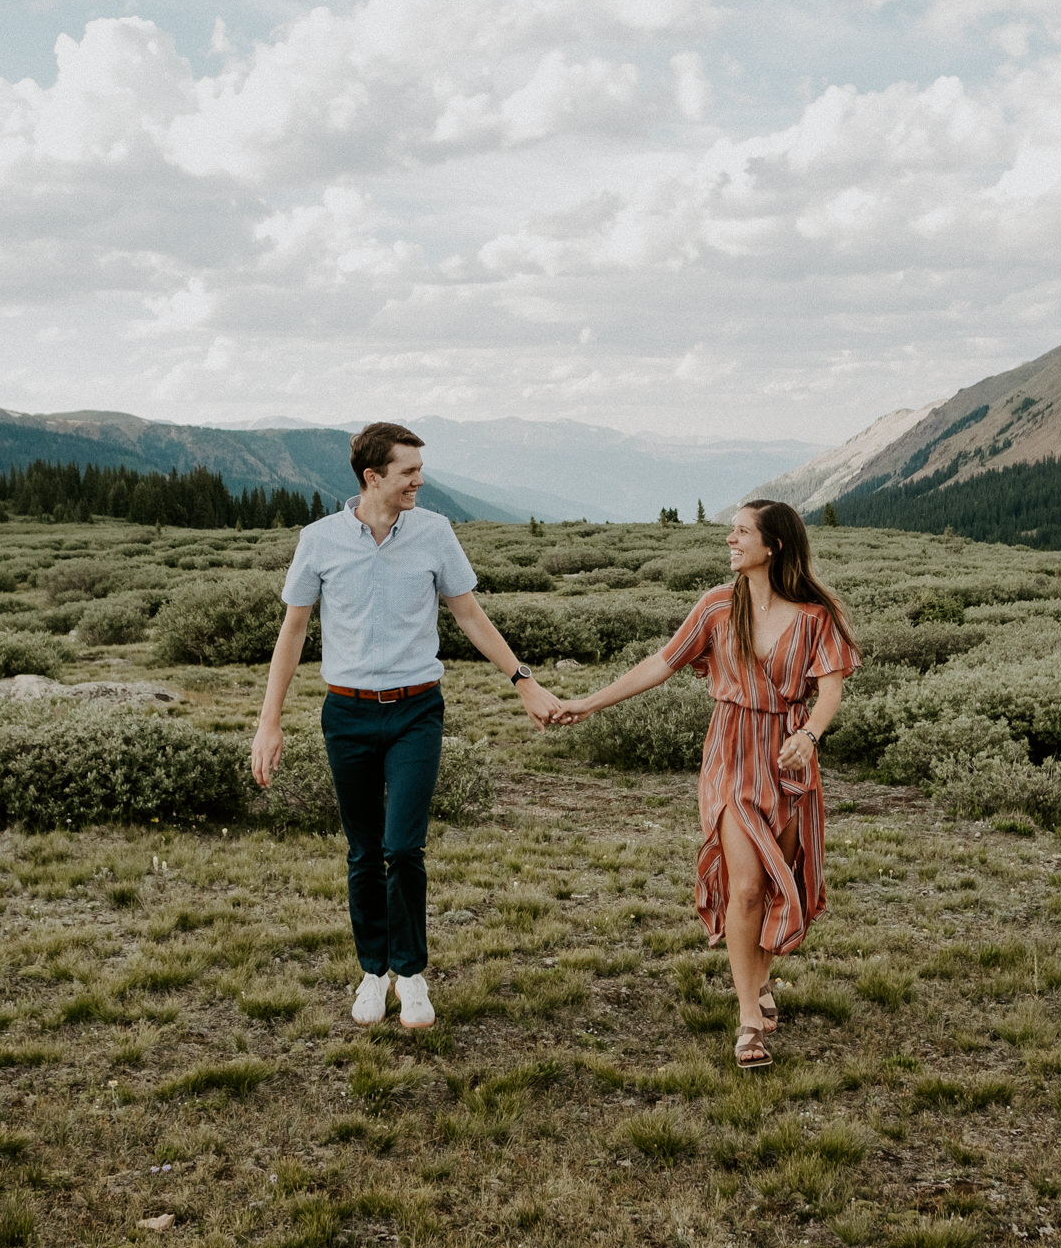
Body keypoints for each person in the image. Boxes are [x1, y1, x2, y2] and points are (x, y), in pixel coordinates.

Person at [253, 422, 566, 1030]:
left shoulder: (435, 533)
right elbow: (292, 632)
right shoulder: (317, 541)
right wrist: (270, 722)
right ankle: (374, 973)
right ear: (373, 478)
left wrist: (524, 680)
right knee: (365, 852)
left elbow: (470, 615)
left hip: (417, 710)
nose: (420, 481)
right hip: (345, 713)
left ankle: (412, 973)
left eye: (419, 470)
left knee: (404, 846)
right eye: (408, 472)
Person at [555, 499, 858, 1068]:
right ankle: (749, 1022)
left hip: (789, 761)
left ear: (774, 546)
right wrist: (587, 704)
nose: (730, 541)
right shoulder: (718, 606)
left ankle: (760, 977)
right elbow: (661, 663)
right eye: (731, 532)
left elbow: (831, 689)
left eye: (741, 533)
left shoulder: (817, 615)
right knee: (744, 886)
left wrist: (811, 735)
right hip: (731, 755)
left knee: (776, 882)